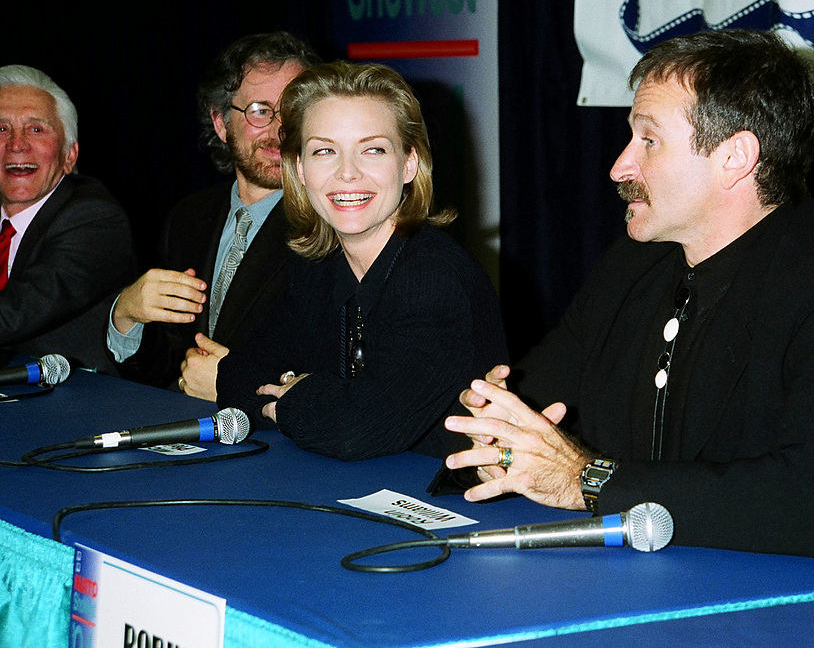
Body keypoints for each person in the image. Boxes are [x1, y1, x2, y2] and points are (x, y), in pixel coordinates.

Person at [444, 29, 814, 584]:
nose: (620, 167)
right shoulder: (634, 265)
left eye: (649, 142)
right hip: (650, 587)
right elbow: (536, 406)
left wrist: (587, 479)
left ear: (735, 158)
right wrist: (494, 434)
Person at [194, 60, 507, 460]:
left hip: (448, 507)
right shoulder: (316, 264)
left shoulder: (436, 279)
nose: (347, 174)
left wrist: (286, 399)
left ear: (409, 163)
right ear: (301, 169)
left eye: (372, 150)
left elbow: (355, 432)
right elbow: (238, 374)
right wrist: (309, 395)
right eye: (325, 151)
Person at [106, 32, 319, 395]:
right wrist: (125, 316)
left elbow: (334, 378)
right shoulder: (189, 218)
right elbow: (168, 368)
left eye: (293, 111)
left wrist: (233, 384)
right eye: (260, 111)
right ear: (221, 124)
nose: (280, 129)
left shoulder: (331, 224)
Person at [0, 65, 134, 373]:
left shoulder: (94, 218)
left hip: (79, 406)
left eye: (36, 129)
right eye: (1, 129)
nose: (17, 144)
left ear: (69, 155)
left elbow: (17, 313)